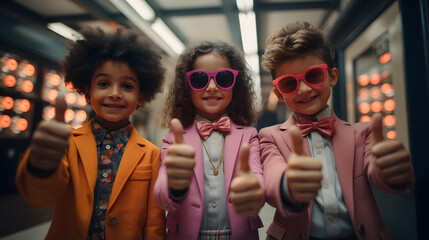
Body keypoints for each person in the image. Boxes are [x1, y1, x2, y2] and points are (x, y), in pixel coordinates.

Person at [259, 21, 414, 240]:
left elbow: (376, 171)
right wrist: (288, 184)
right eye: (289, 84)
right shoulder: (269, 136)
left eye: (313, 76)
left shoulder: (364, 133)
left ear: (332, 76)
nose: (303, 89)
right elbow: (273, 174)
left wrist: (391, 170)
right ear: (279, 93)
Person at [15, 28, 166, 240]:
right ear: (87, 91)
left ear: (141, 97)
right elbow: (39, 197)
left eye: (127, 86)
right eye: (103, 84)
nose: (114, 93)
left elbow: (155, 224)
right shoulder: (66, 143)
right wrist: (41, 165)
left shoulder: (151, 154)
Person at [154, 41, 264, 239]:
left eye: (223, 78)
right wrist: (174, 184)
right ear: (186, 87)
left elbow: (258, 178)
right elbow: (162, 192)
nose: (212, 87)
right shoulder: (173, 140)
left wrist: (253, 188)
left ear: (235, 86)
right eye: (199, 80)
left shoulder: (249, 135)